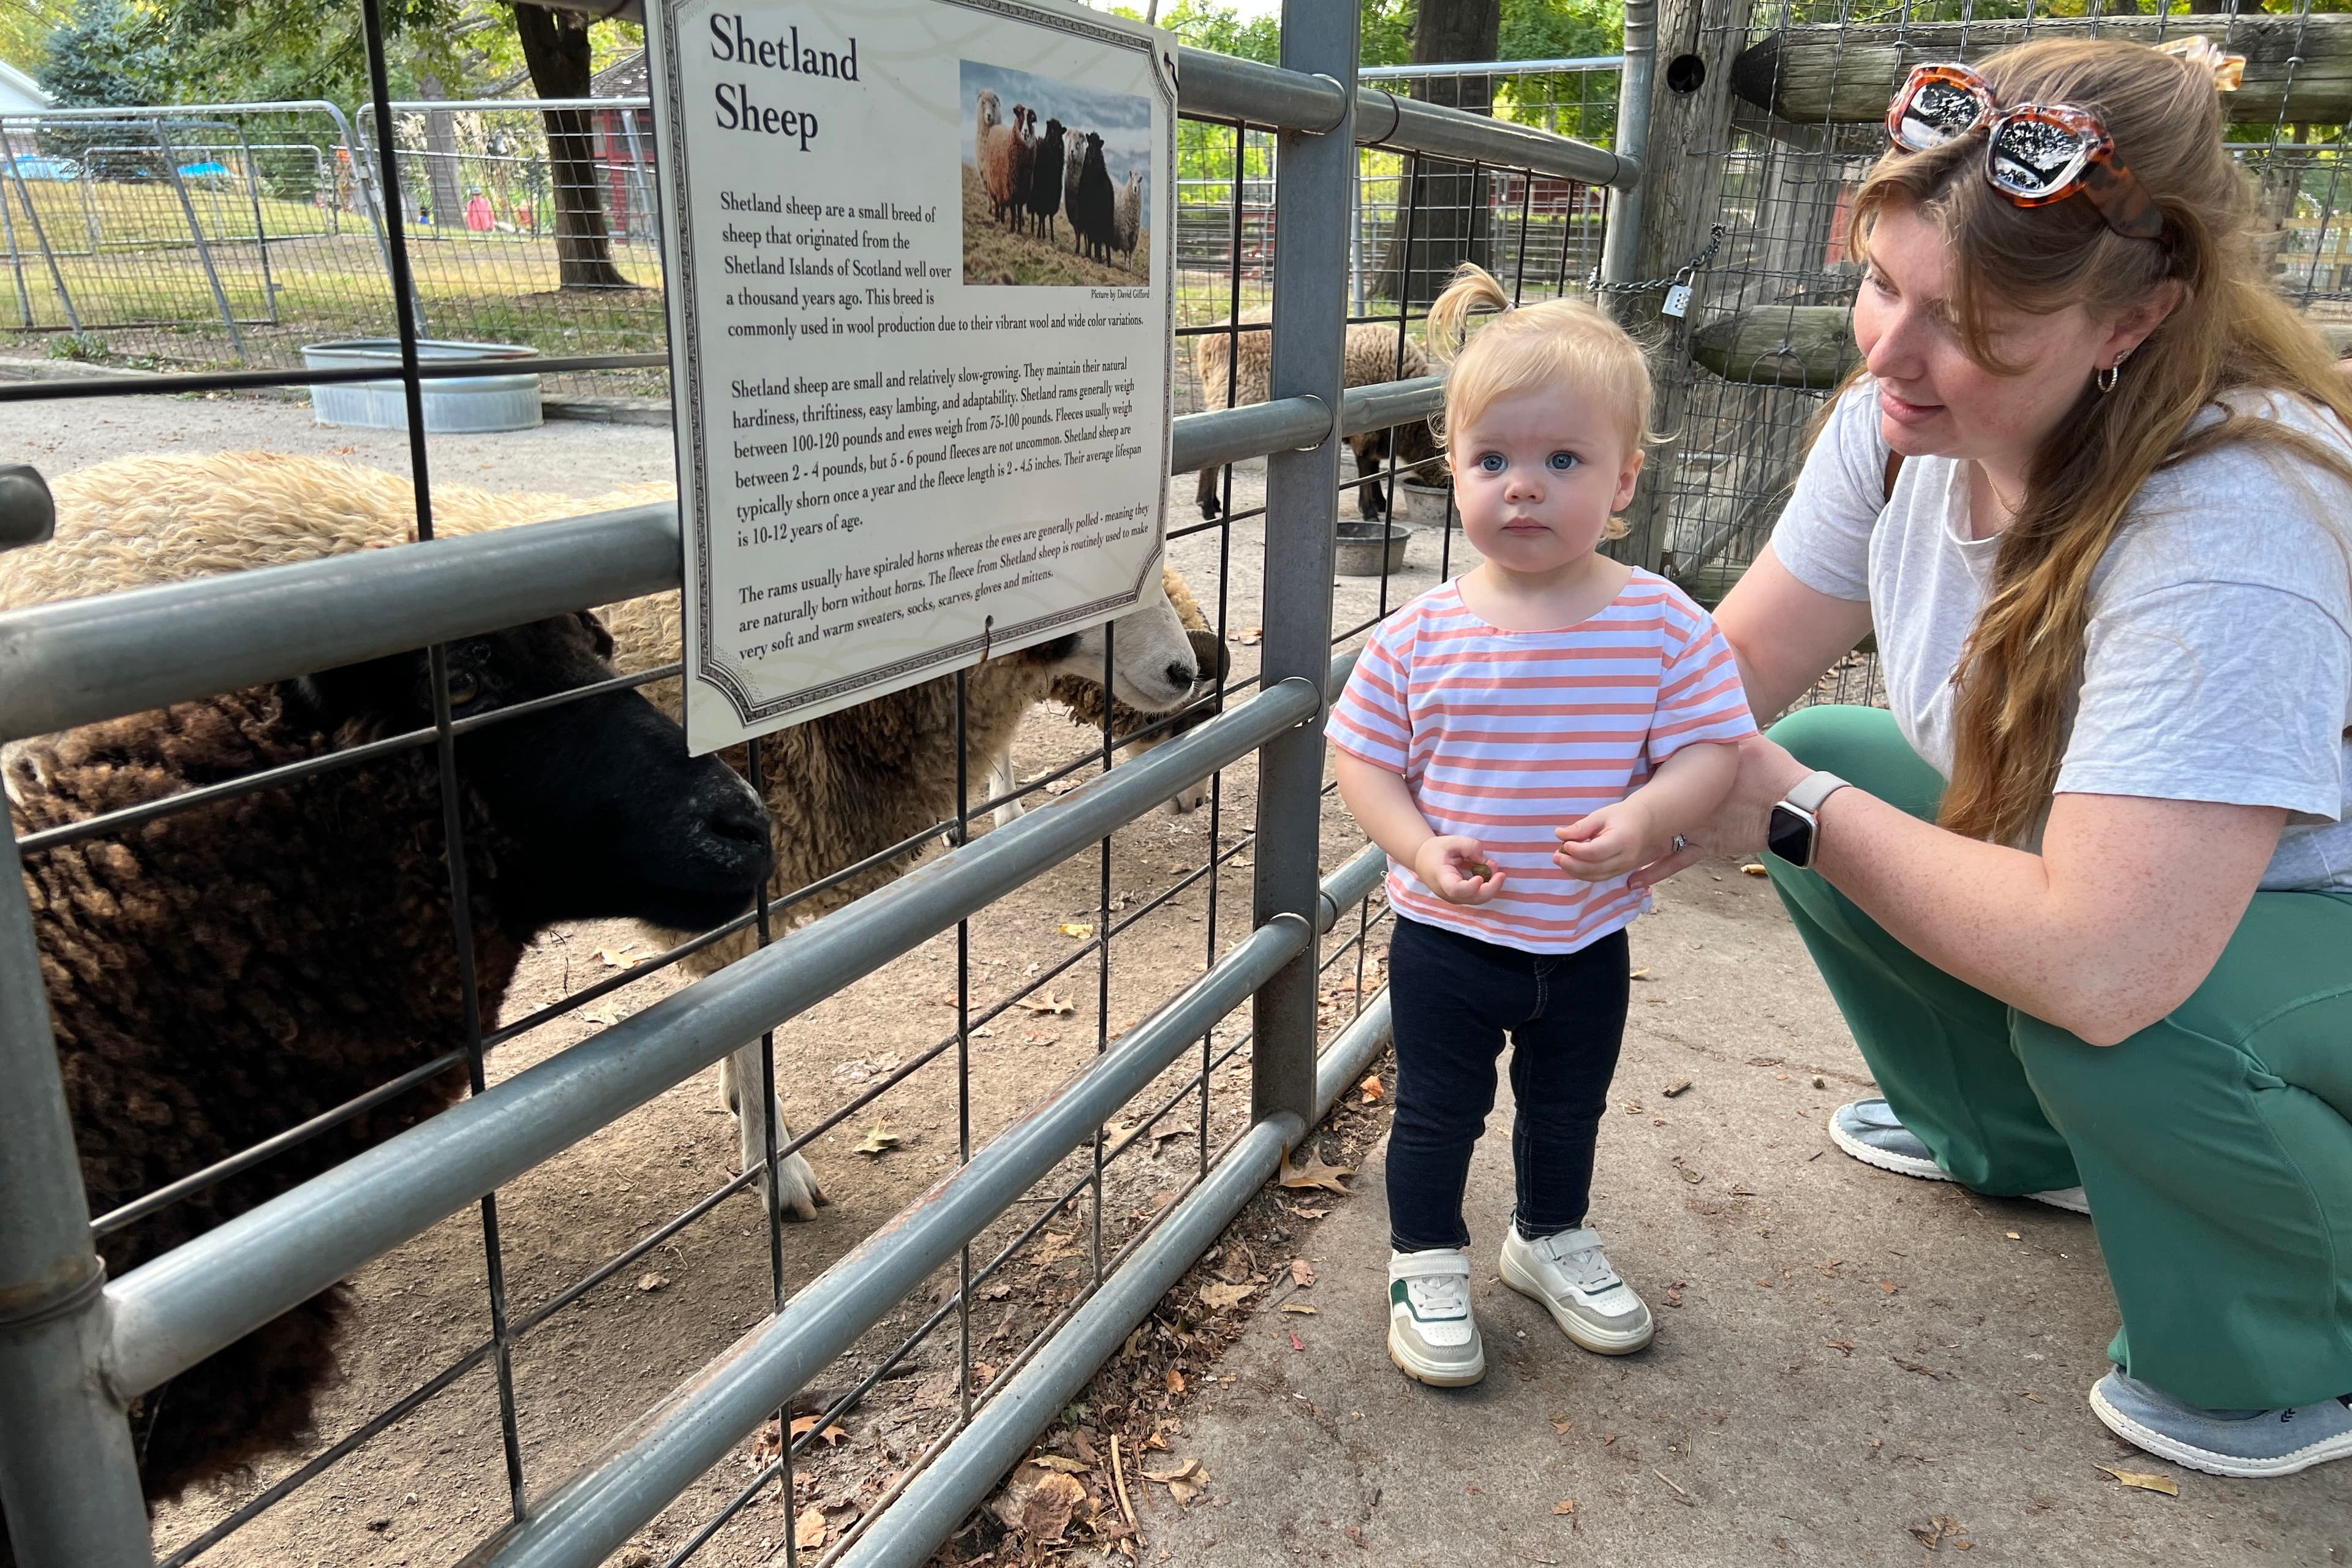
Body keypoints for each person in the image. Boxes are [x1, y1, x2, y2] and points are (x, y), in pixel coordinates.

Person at [1630, 37, 2352, 1476]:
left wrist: (1785, 809)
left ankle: (2297, 1339)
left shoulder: (2235, 518)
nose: (1888, 353)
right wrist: (1521, 764)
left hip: (2292, 934)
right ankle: (2024, 1142)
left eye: (1969, 326)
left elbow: (2110, 955)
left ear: (2132, 320)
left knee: (2139, 1019)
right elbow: (1726, 679)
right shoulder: (1903, 421)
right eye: (1882, 284)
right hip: (2152, 898)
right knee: (1828, 748)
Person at [1329, 265, 1755, 1387]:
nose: (1524, 488)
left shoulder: (1660, 622)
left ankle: (1548, 1233)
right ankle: (1426, 1259)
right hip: (1445, 938)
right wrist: (1417, 846)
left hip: (1583, 938)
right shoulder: (1417, 638)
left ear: (1624, 481)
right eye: (1493, 461)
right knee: (1435, 1113)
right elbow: (1360, 758)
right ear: (1453, 466)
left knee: (1567, 1106)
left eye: (1562, 461)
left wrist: (1650, 812)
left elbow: (1718, 745)